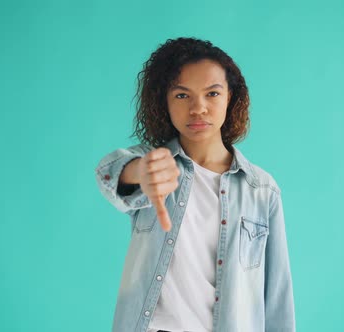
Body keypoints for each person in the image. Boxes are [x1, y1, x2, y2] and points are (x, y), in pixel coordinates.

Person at [95, 37, 295, 332]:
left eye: (212, 94)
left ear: (231, 98)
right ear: (164, 102)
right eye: (182, 95)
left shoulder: (262, 190)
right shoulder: (155, 164)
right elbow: (110, 172)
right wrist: (140, 172)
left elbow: (277, 296)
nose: (198, 108)